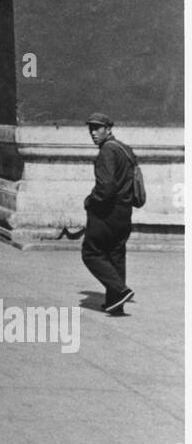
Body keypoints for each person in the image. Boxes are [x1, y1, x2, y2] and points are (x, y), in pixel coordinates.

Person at [81, 113, 137, 314]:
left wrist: (90, 200)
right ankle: (116, 303)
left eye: (98, 128)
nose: (93, 133)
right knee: (115, 255)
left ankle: (120, 291)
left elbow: (106, 188)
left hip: (107, 214)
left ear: (109, 129)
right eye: (91, 129)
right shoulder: (125, 149)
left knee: (91, 253)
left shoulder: (107, 151)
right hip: (125, 212)